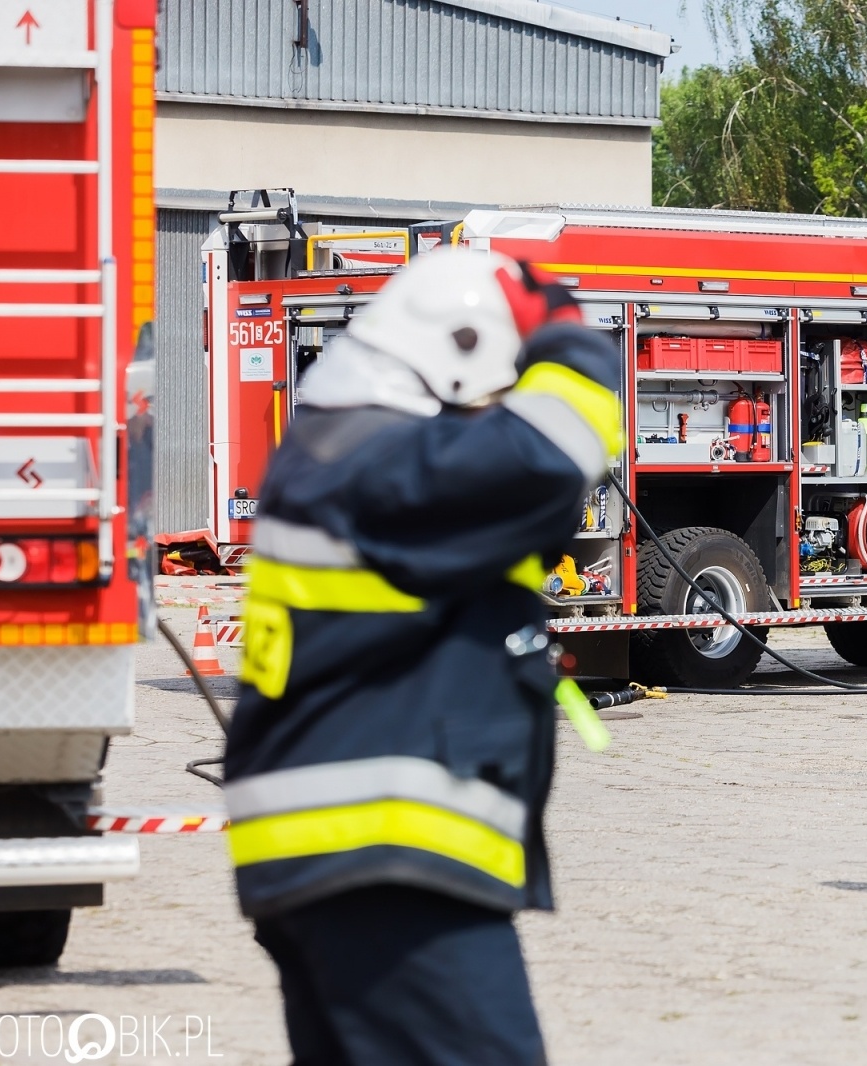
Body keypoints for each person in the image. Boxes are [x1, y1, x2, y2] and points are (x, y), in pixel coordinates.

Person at [221, 247, 621, 1065]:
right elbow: (546, 460)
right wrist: (572, 342)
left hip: (333, 859)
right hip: (383, 865)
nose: (495, 414)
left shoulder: (339, 456)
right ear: (457, 358)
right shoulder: (375, 462)